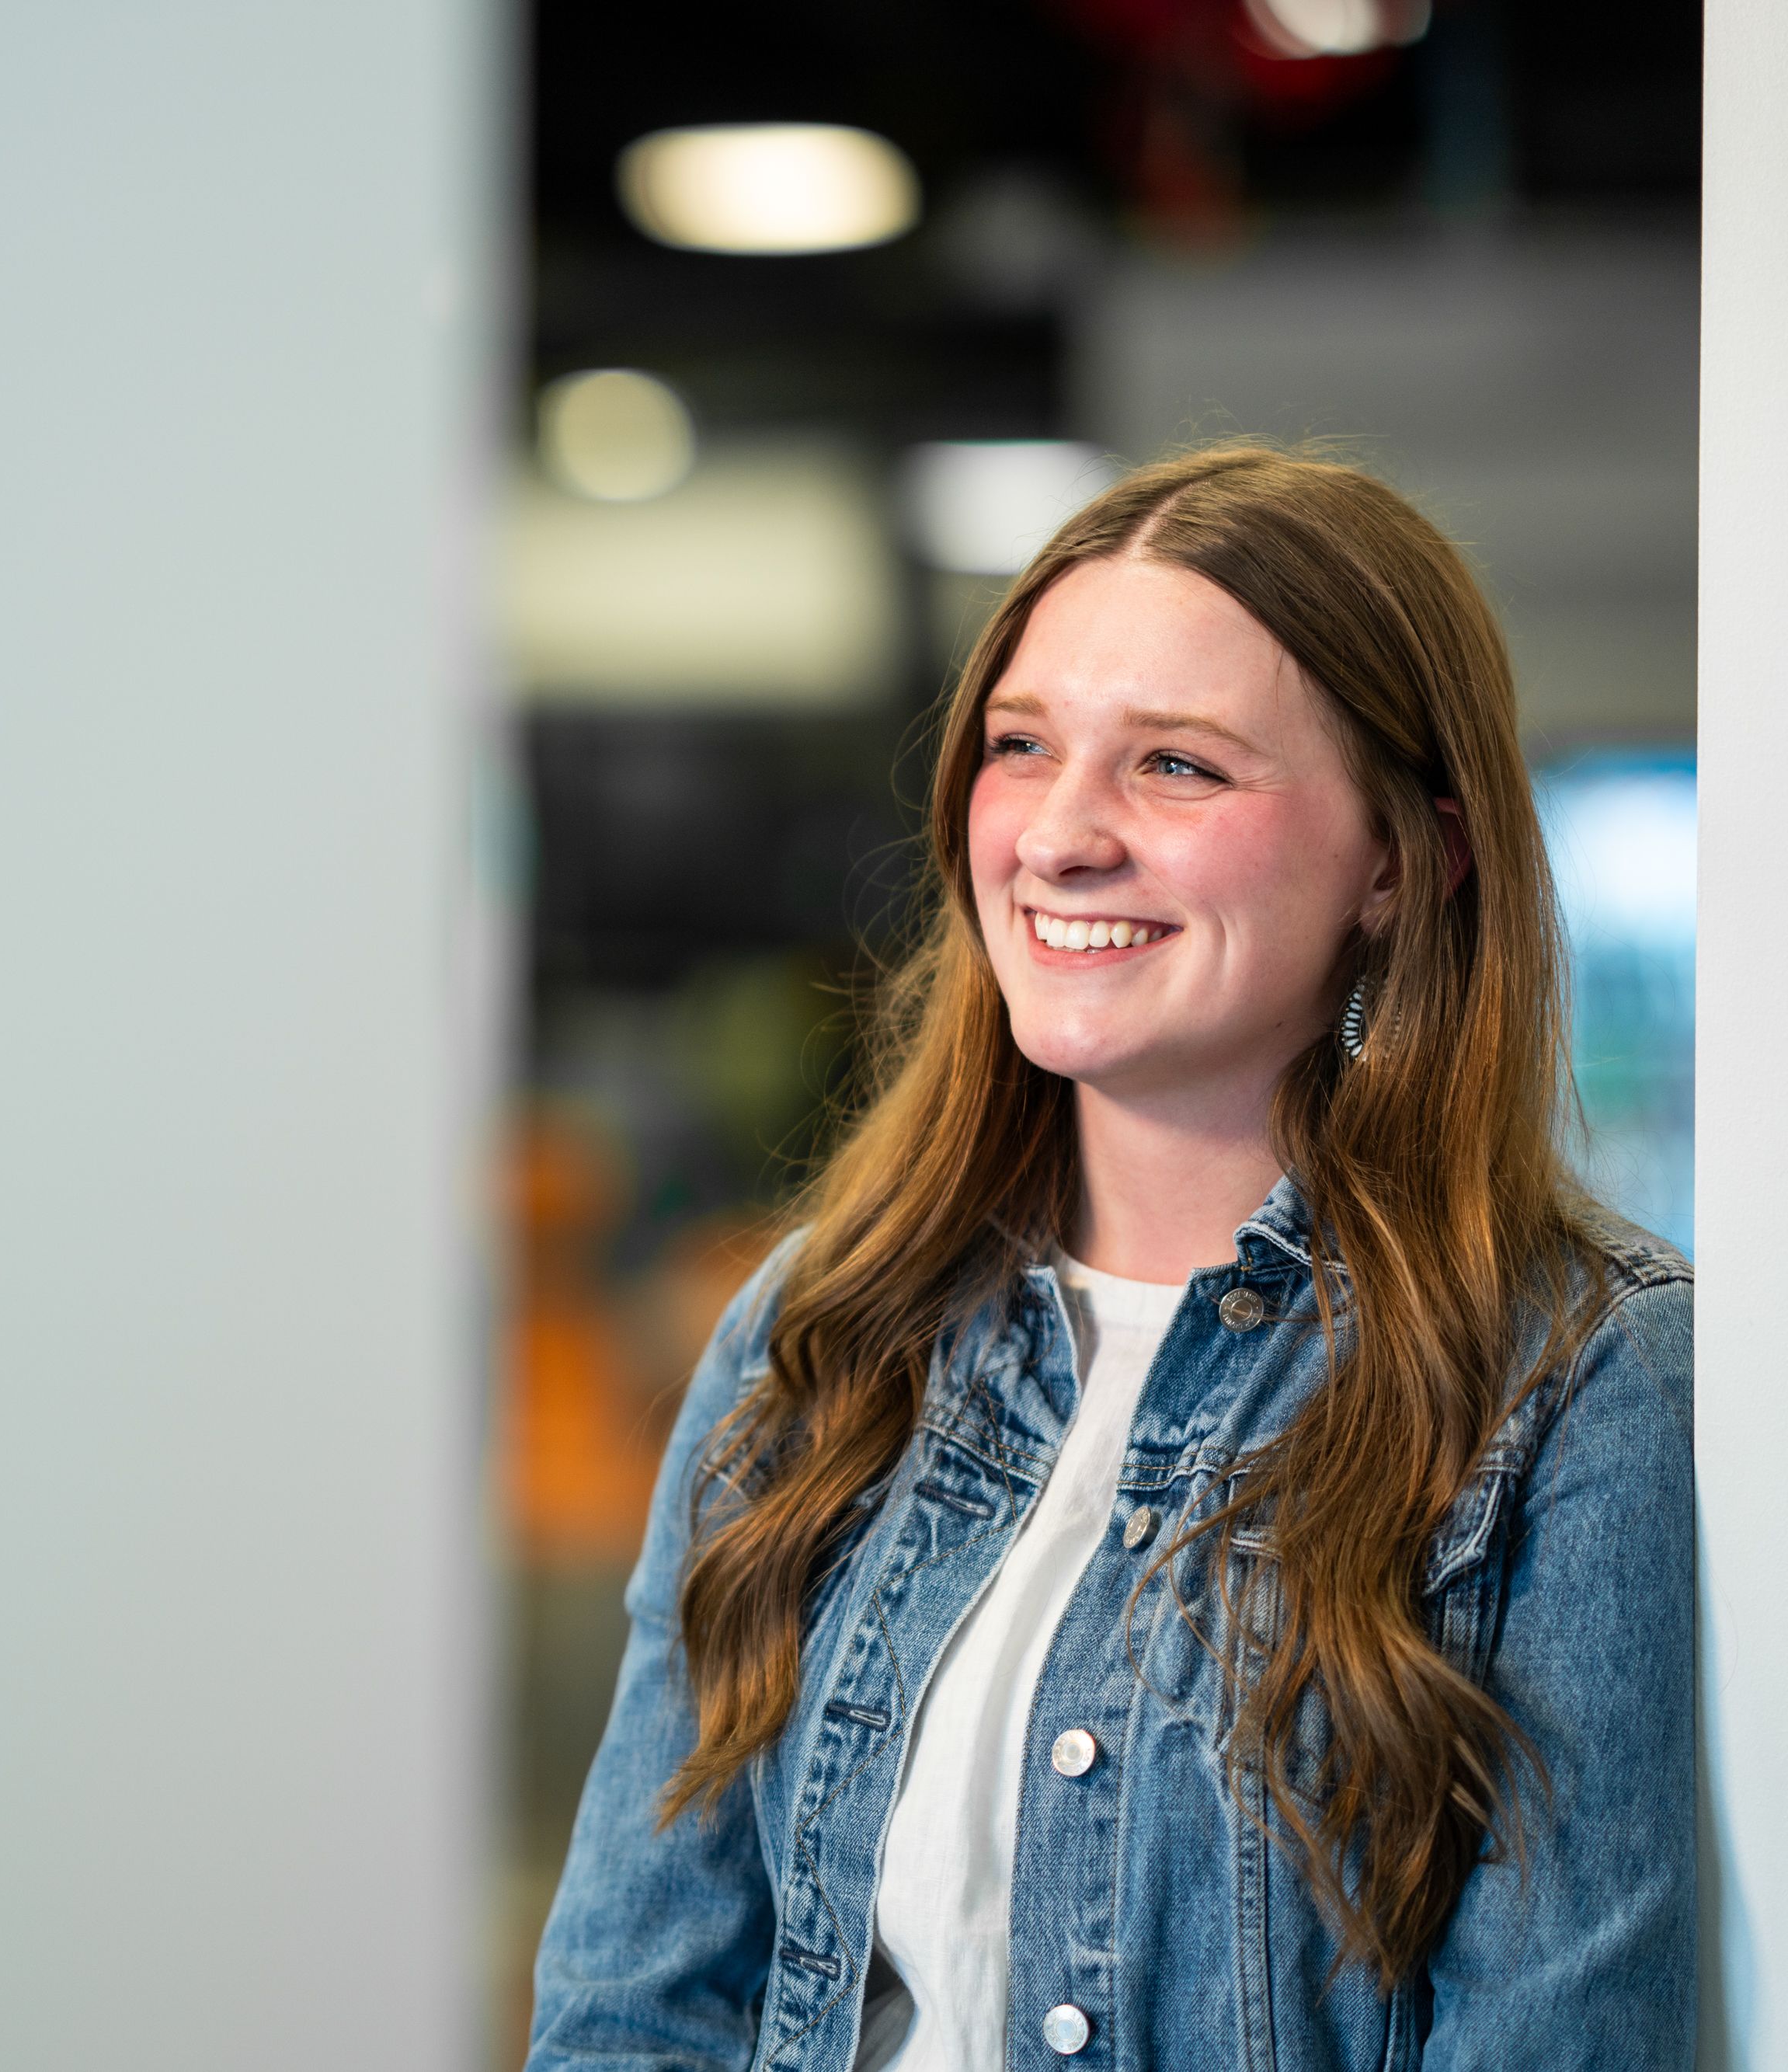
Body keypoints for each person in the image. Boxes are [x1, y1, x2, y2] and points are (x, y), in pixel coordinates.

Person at [524, 447, 1695, 2072]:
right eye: (1019, 745)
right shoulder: (820, 1331)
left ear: (1399, 861)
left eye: (1175, 765)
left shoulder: (1566, 1380)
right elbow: (632, 2005)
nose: (1059, 834)